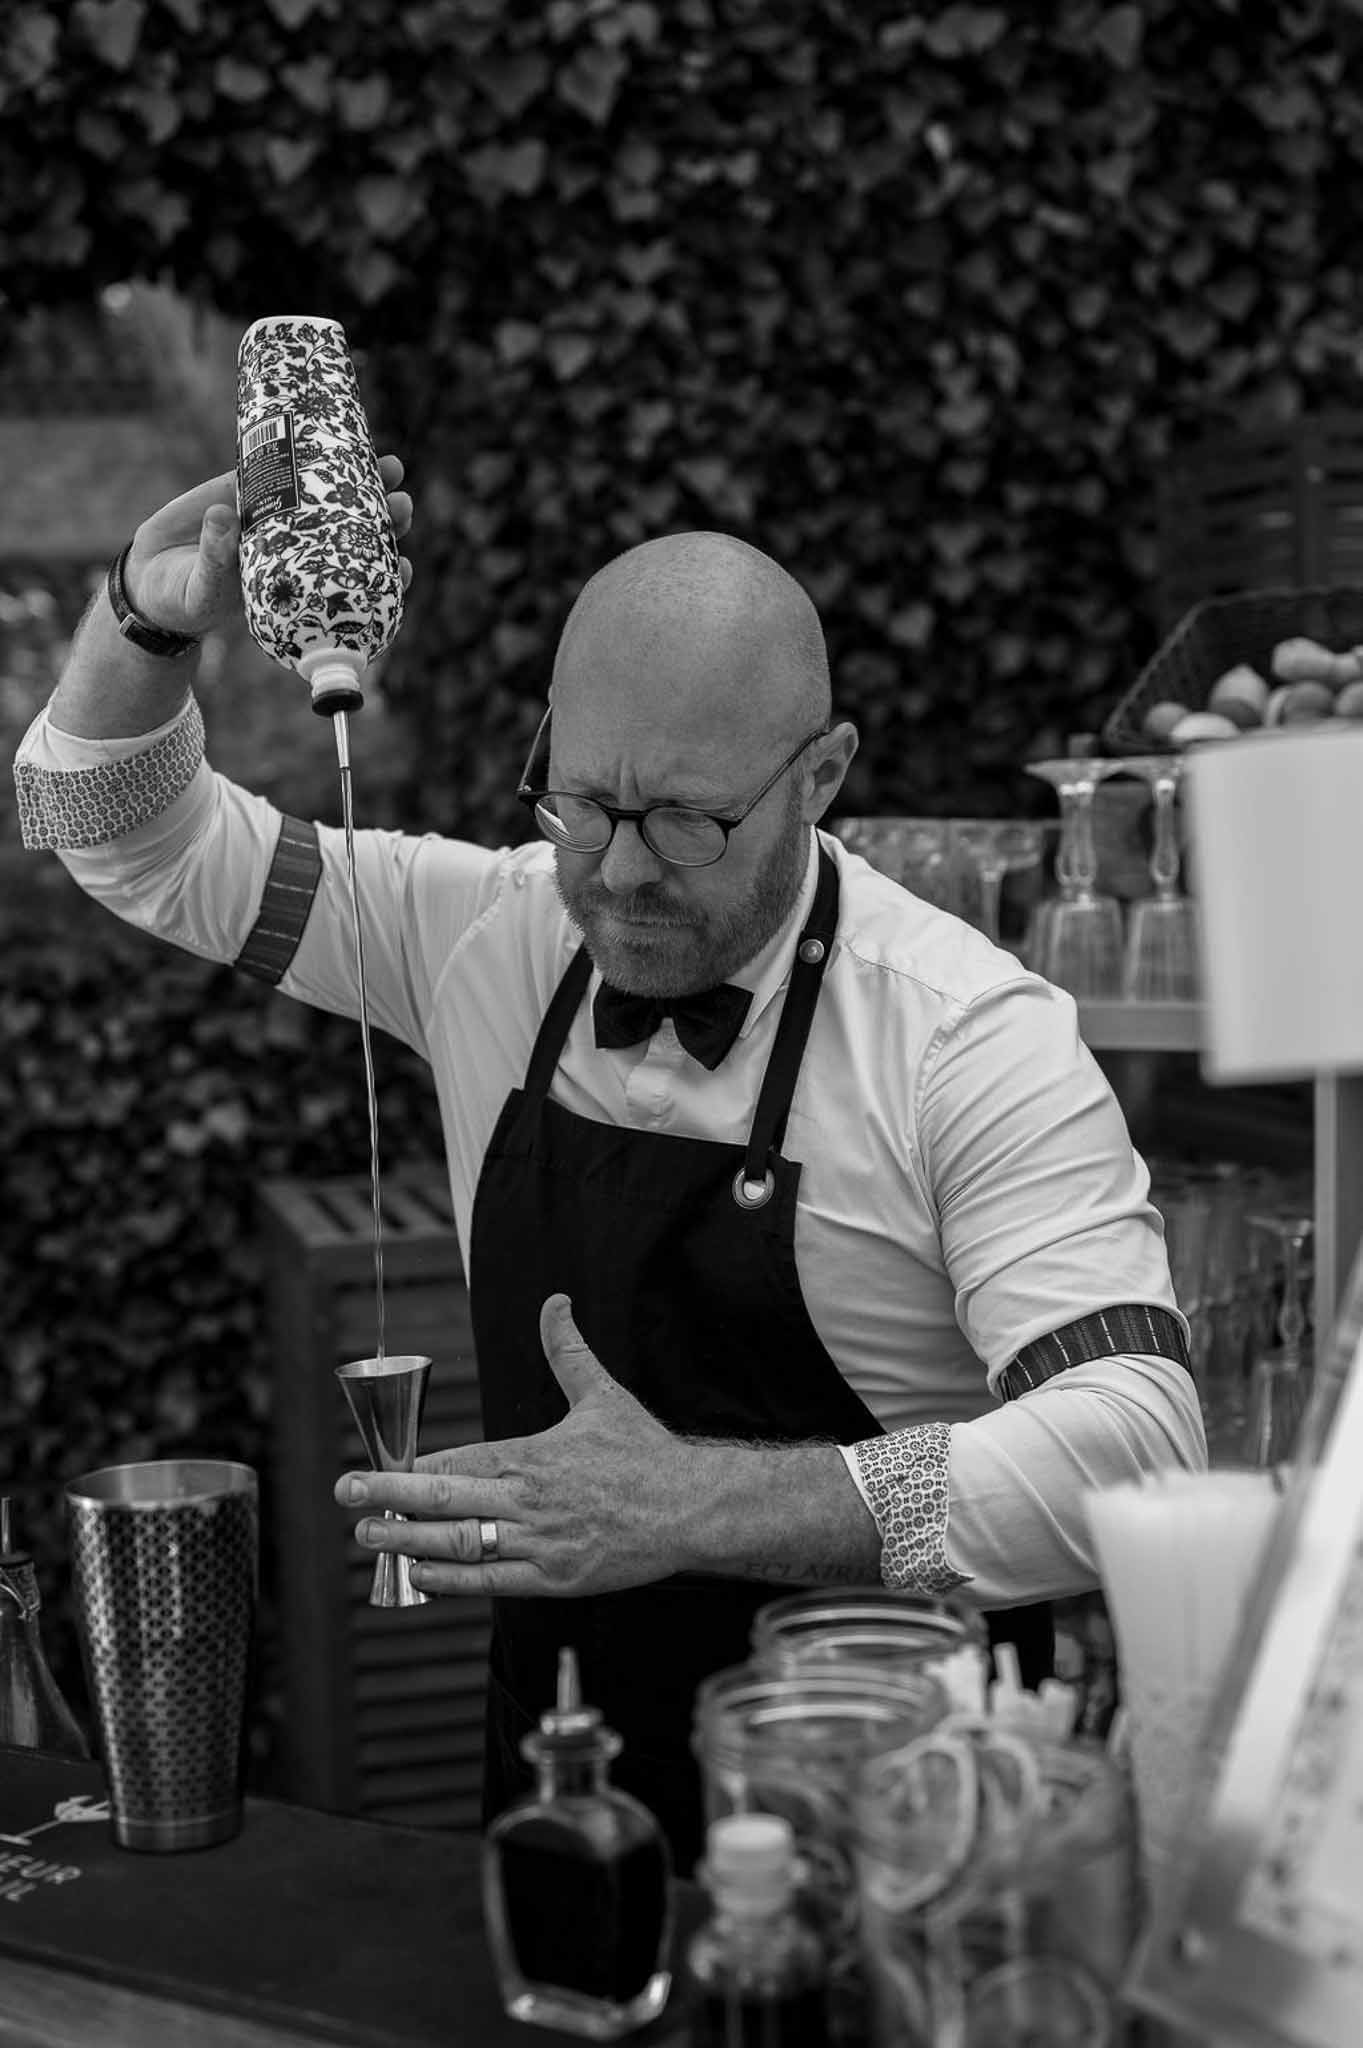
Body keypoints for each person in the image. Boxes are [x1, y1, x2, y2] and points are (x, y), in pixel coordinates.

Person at [14, 461, 1205, 1865]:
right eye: (582, 804)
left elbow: (1133, 1448)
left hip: (889, 1813)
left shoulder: (969, 1037)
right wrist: (151, 624)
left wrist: (688, 1503)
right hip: (556, 1770)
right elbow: (118, 835)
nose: (622, 876)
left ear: (821, 777)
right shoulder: (490, 933)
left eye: (688, 820)